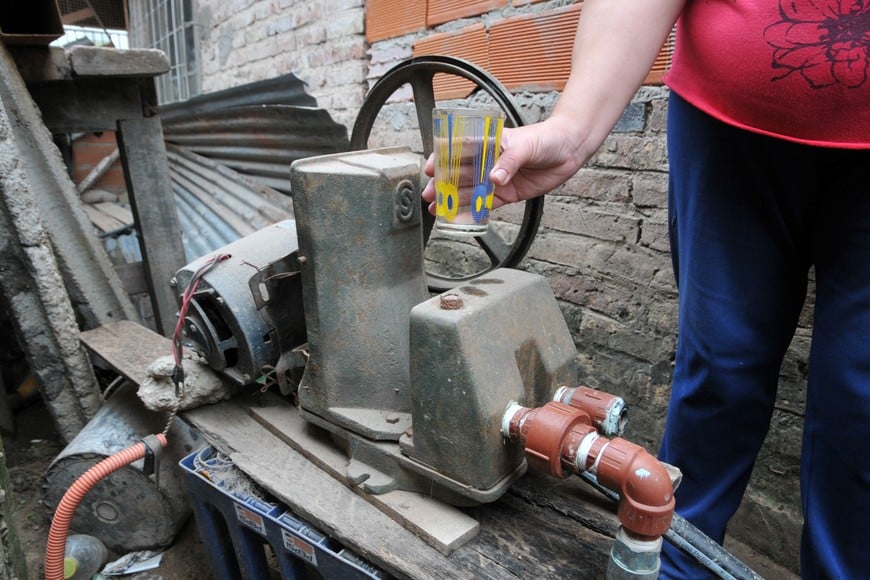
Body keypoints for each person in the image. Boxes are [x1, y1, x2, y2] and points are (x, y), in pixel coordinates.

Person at [423, 1, 869, 577]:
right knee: (719, 369)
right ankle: (679, 565)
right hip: (729, 125)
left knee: (861, 402)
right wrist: (571, 132)